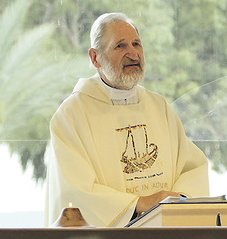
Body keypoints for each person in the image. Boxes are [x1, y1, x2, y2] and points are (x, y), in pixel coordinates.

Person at [44, 12, 209, 227]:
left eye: (136, 44)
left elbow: (192, 168)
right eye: (120, 46)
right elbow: (75, 190)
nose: (133, 53)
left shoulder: (158, 107)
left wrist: (177, 200)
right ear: (95, 58)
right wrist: (140, 203)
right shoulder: (71, 115)